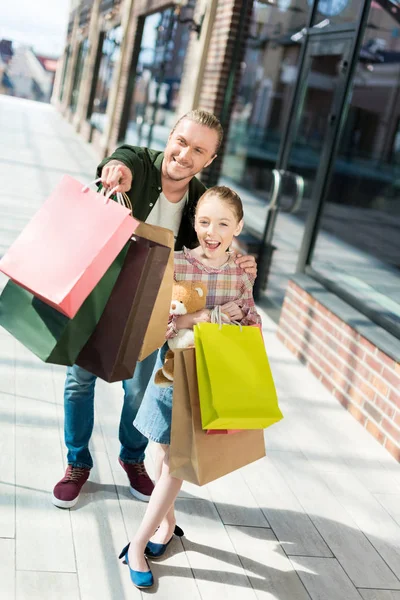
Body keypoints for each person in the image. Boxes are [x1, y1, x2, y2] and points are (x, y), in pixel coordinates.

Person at [52, 110, 257, 509]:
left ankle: (132, 458)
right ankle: (77, 463)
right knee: (79, 382)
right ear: (171, 135)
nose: (185, 154)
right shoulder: (139, 164)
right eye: (182, 141)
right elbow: (121, 160)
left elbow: (218, 234)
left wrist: (239, 257)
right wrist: (114, 169)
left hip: (152, 308)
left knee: (139, 390)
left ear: (209, 160)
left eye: (199, 150)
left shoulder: (200, 199)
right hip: (99, 293)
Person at [118, 185, 262, 589]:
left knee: (176, 466)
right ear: (193, 222)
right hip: (171, 372)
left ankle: (137, 544)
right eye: (203, 221)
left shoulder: (240, 271)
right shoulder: (178, 264)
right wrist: (211, 316)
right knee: (158, 459)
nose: (211, 232)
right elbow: (164, 324)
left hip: (211, 379)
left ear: (238, 227)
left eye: (222, 223)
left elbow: (251, 325)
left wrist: (228, 318)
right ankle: (169, 527)